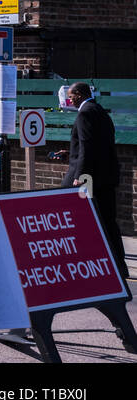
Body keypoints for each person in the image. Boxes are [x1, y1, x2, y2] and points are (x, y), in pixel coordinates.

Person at [63, 82, 128, 279]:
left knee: (73, 216)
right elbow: (98, 145)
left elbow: (87, 146)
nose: (69, 100)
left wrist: (79, 176)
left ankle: (81, 262)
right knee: (108, 222)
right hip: (106, 176)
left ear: (80, 95)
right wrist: (69, 153)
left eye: (71, 96)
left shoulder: (84, 113)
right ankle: (119, 266)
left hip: (90, 178)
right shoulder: (100, 111)